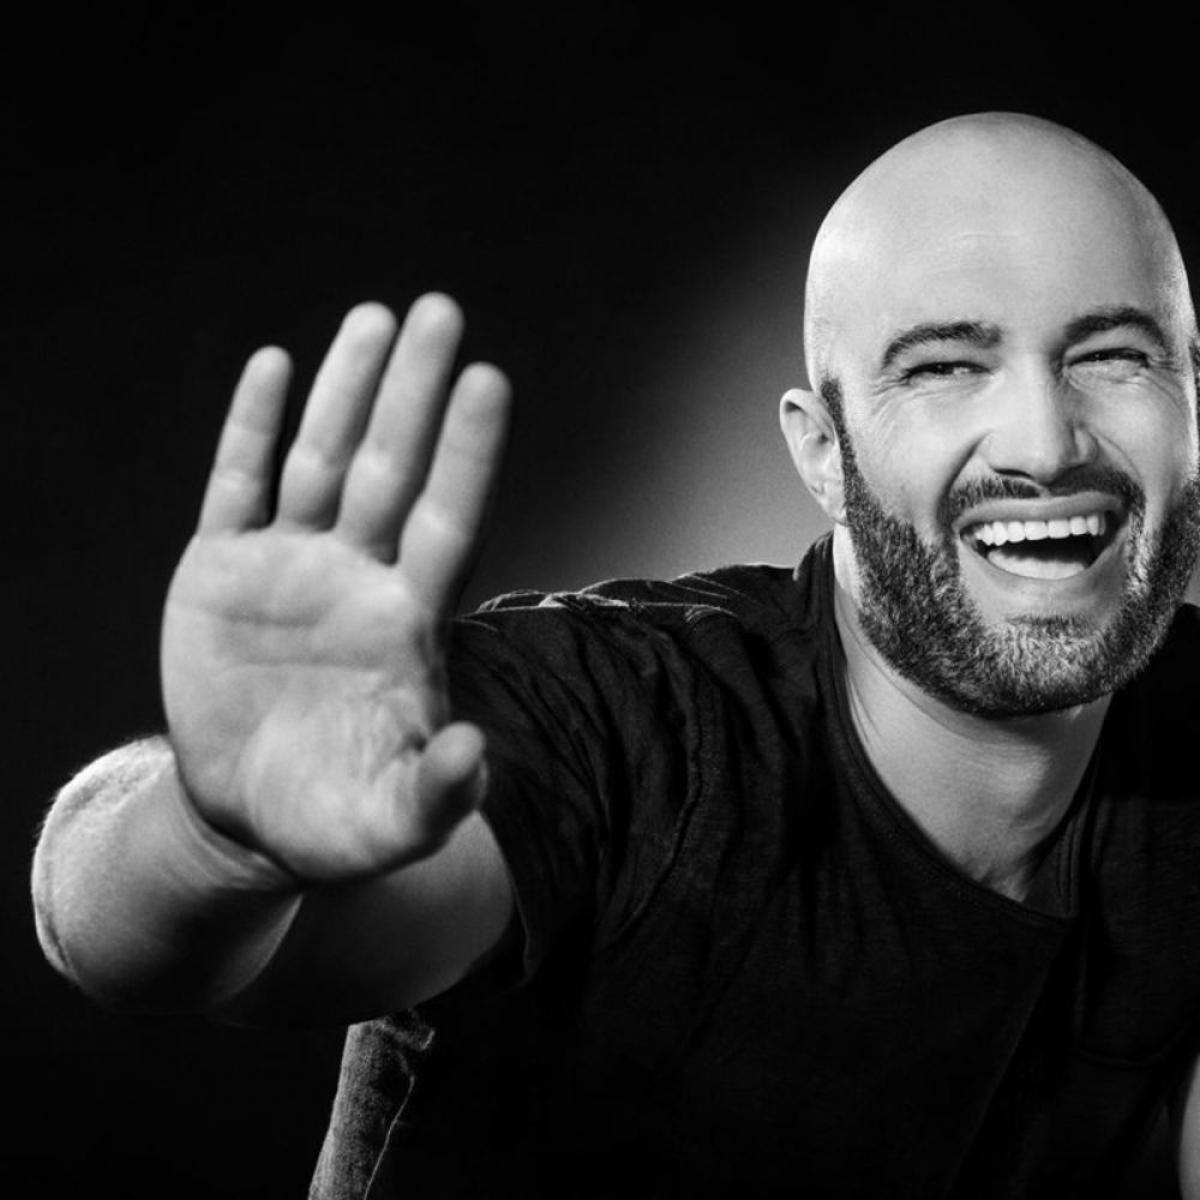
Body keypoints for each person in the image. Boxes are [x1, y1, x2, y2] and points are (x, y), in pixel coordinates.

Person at [31, 111, 1200, 1198]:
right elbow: (164, 949)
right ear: (823, 454)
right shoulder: (623, 721)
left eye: (1114, 355)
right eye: (944, 366)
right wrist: (219, 838)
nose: (1045, 442)